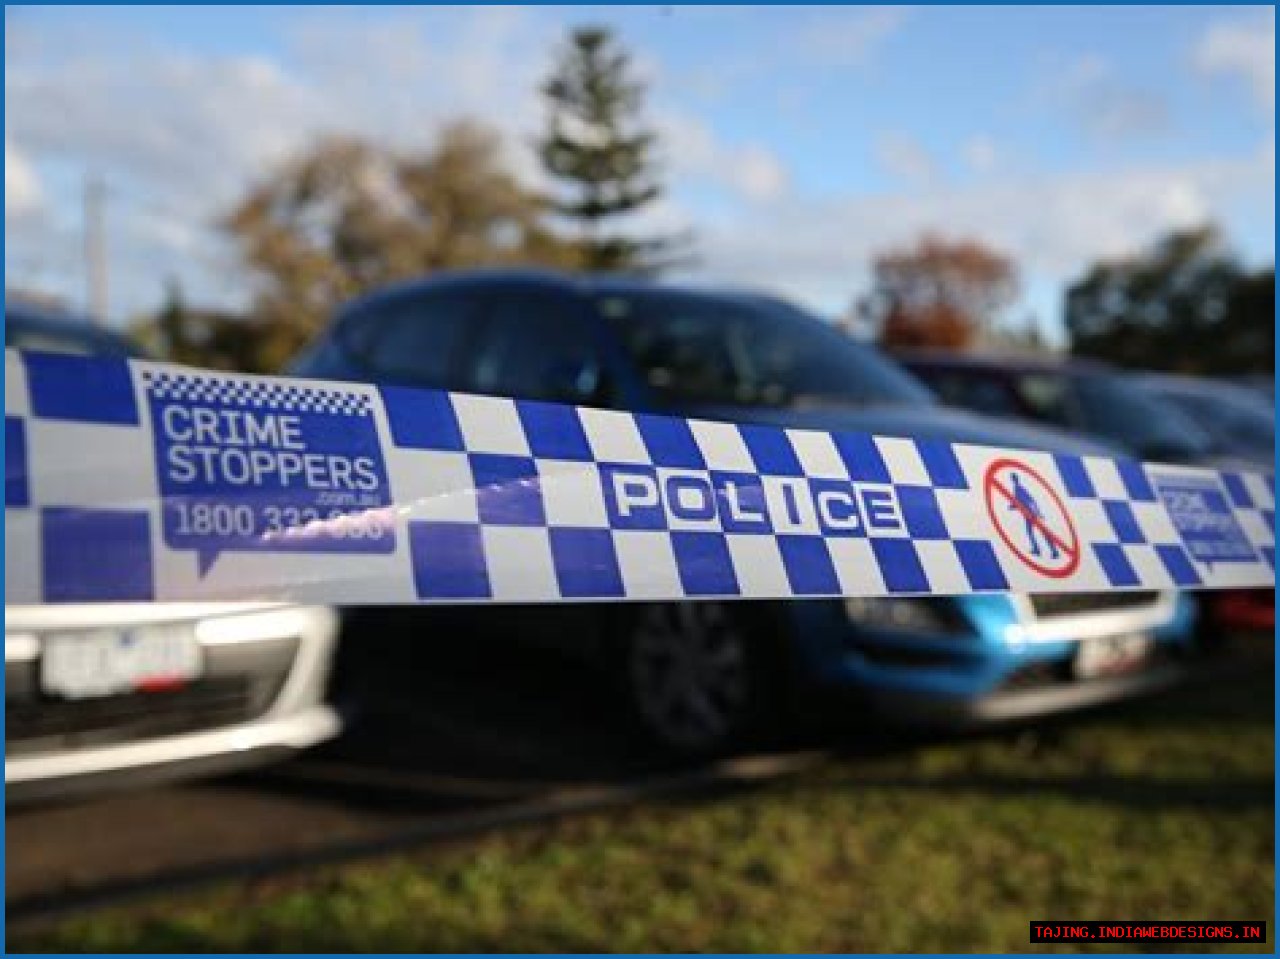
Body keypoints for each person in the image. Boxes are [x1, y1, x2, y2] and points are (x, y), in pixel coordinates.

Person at [1009, 472, 1059, 559]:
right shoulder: (1018, 488)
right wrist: (1013, 506)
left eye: (1013, 478)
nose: (1013, 480)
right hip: (1028, 514)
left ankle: (1053, 550)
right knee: (1033, 532)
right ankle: (1040, 549)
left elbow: (1027, 501)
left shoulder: (1019, 489)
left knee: (1041, 532)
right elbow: (1018, 502)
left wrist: (1036, 513)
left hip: (1031, 514)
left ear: (1014, 479)